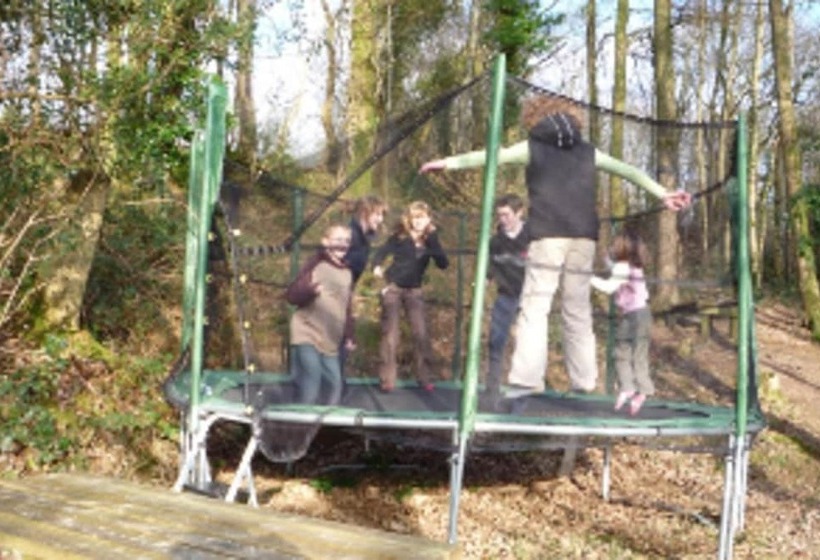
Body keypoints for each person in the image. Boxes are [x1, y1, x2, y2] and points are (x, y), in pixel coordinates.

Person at [420, 96, 691, 397]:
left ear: (535, 119)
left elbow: (493, 156)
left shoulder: (533, 146)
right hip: (584, 237)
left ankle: (527, 379)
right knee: (577, 308)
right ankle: (585, 380)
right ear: (575, 120)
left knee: (536, 305)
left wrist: (448, 163)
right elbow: (627, 169)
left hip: (547, 234)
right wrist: (663, 193)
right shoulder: (589, 151)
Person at [371, 201, 449, 392]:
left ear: (428, 219)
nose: (418, 222)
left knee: (420, 332)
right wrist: (377, 266)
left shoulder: (431, 239)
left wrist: (432, 241)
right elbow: (381, 252)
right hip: (394, 287)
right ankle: (387, 379)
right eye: (415, 217)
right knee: (390, 334)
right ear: (409, 219)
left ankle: (425, 377)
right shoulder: (400, 236)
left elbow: (443, 263)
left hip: (414, 290)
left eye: (421, 217)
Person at [285, 223, 355, 405]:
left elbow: (346, 307)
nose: (343, 244)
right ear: (325, 242)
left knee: (335, 384)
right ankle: (301, 423)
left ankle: (327, 424)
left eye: (347, 241)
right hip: (307, 331)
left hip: (331, 339)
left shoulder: (347, 273)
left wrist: (349, 335)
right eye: (338, 240)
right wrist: (309, 290)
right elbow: (292, 295)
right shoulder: (317, 264)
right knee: (312, 377)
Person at [591, 229, 654, 415]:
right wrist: (606, 261)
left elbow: (609, 287)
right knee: (636, 353)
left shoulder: (622, 267)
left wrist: (588, 278)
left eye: (614, 245)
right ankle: (642, 391)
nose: (612, 247)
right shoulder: (634, 266)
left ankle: (629, 387)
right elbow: (616, 271)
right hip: (643, 314)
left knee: (622, 352)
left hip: (633, 316)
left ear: (623, 247)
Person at [485, 193, 529, 403]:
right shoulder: (496, 241)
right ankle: (492, 390)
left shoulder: (531, 237)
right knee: (496, 341)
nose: (503, 220)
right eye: (500, 215)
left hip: (530, 298)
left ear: (519, 213)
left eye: (507, 215)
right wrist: (484, 281)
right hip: (506, 297)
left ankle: (523, 392)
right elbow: (489, 268)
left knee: (526, 344)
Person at [344, 195, 388, 285]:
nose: (381, 219)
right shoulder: (348, 235)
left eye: (382, 215)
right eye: (378, 214)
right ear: (364, 212)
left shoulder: (366, 239)